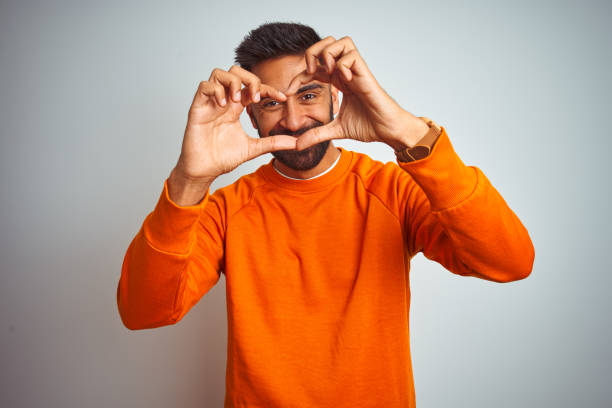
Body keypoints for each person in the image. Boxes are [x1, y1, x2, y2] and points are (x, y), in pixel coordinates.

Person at [117, 22, 534, 408]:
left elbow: (510, 261)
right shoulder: (226, 208)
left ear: (336, 95)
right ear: (249, 115)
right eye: (270, 104)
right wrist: (190, 178)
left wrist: (406, 133)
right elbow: (143, 312)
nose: (294, 120)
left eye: (309, 95)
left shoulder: (392, 189)